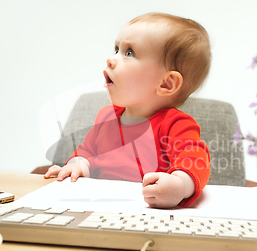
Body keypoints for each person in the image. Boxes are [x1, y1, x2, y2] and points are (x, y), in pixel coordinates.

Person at [44, 12, 211, 208]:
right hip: (100, 209)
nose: (111, 59)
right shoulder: (106, 117)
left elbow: (194, 160)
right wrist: (78, 165)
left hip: (148, 215)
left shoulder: (176, 125)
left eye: (129, 53)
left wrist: (180, 184)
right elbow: (86, 153)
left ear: (166, 83)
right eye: (116, 49)